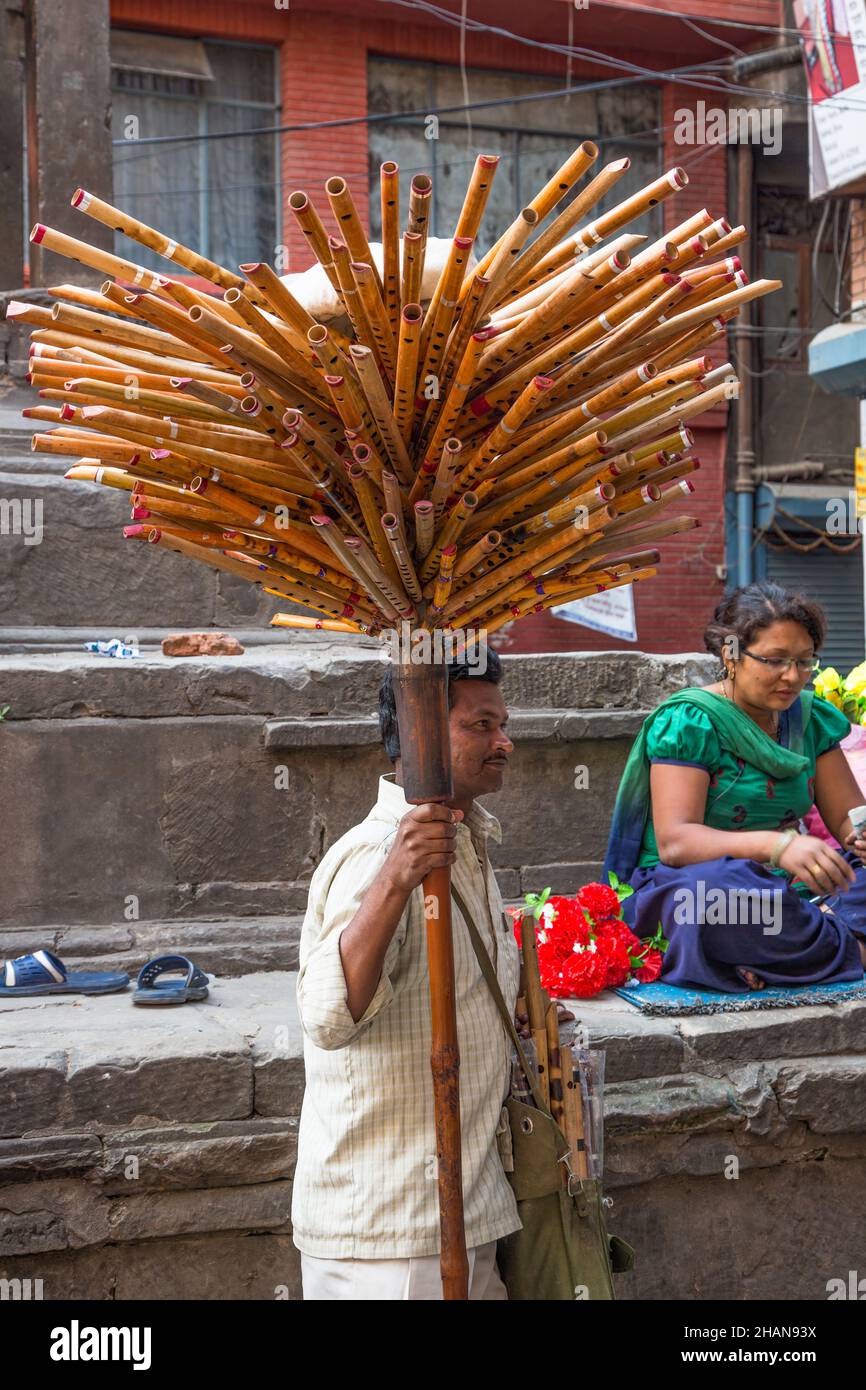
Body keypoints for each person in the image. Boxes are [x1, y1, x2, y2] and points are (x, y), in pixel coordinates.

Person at [292, 647, 520, 1300]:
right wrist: (396, 876)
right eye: (480, 725)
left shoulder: (463, 837)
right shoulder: (375, 855)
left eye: (503, 724)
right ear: (419, 731)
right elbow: (328, 1016)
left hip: (460, 1211)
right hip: (395, 1239)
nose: (503, 741)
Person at [604, 581, 866, 992]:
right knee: (713, 901)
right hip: (693, 883)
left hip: (790, 887)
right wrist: (779, 846)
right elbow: (675, 843)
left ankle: (791, 950)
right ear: (731, 655)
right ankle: (847, 947)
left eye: (804, 662)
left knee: (838, 882)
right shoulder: (692, 721)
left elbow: (851, 822)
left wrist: (861, 836)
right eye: (775, 660)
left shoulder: (811, 720)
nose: (792, 676)